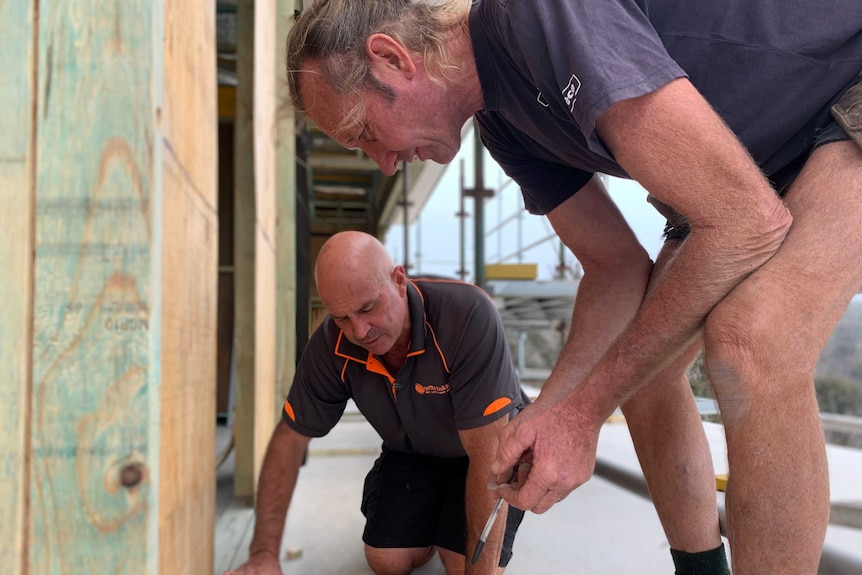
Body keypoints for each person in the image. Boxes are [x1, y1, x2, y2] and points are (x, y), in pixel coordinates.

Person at [284, 1, 862, 573]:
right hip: (747, 161)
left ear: (392, 59)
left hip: (842, 90)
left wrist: (584, 413)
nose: (384, 165)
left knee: (750, 345)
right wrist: (554, 410)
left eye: (365, 133)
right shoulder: (504, 129)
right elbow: (614, 267)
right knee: (645, 367)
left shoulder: (532, 14)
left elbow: (742, 221)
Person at [225, 231, 530, 575]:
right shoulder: (330, 343)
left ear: (399, 281)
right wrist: (263, 553)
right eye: (341, 317)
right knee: (387, 561)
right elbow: (289, 440)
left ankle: (446, 528)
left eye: (367, 307)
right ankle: (429, 524)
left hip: (482, 450)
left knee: (463, 566)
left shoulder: (467, 315)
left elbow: (490, 457)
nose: (359, 331)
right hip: (413, 452)